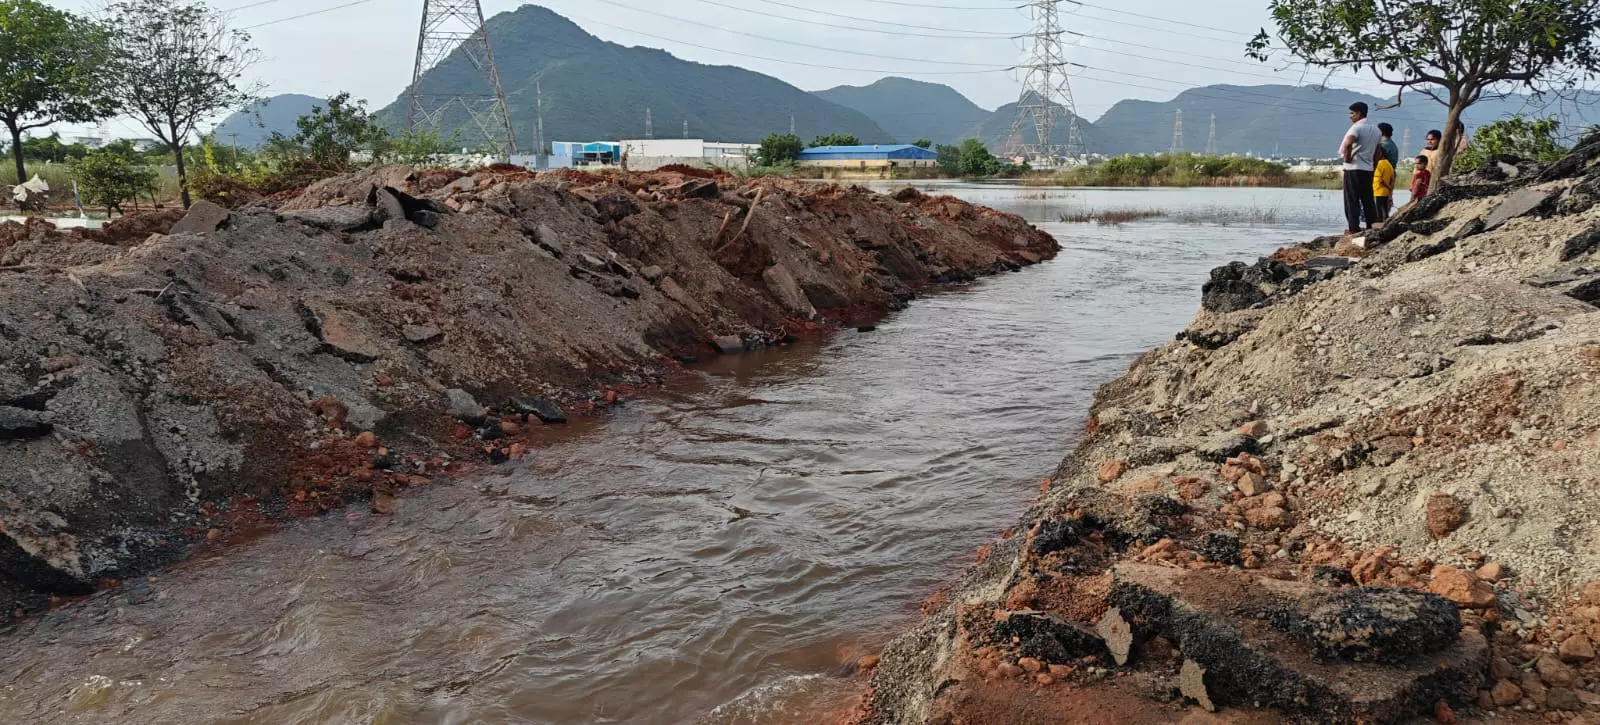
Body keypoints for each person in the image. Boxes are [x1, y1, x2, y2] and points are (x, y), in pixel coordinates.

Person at [1339, 101, 1381, 234]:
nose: (1350, 116)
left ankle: (1354, 229)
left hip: (1353, 168)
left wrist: (1347, 158)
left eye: (1352, 113)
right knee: (1368, 200)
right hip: (1367, 169)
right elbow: (1378, 151)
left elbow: (1348, 143)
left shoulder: (1356, 128)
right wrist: (1373, 164)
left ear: (1358, 113)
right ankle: (1371, 227)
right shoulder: (1376, 130)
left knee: (1352, 200)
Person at [1373, 151, 1395, 221]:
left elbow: (1380, 180)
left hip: (1379, 190)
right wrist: (1389, 188)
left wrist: (1387, 187)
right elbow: (1392, 178)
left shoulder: (1379, 164)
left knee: (1378, 208)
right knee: (1385, 208)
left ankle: (1379, 221)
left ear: (1380, 154)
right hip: (1386, 191)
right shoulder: (1389, 164)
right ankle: (1386, 220)